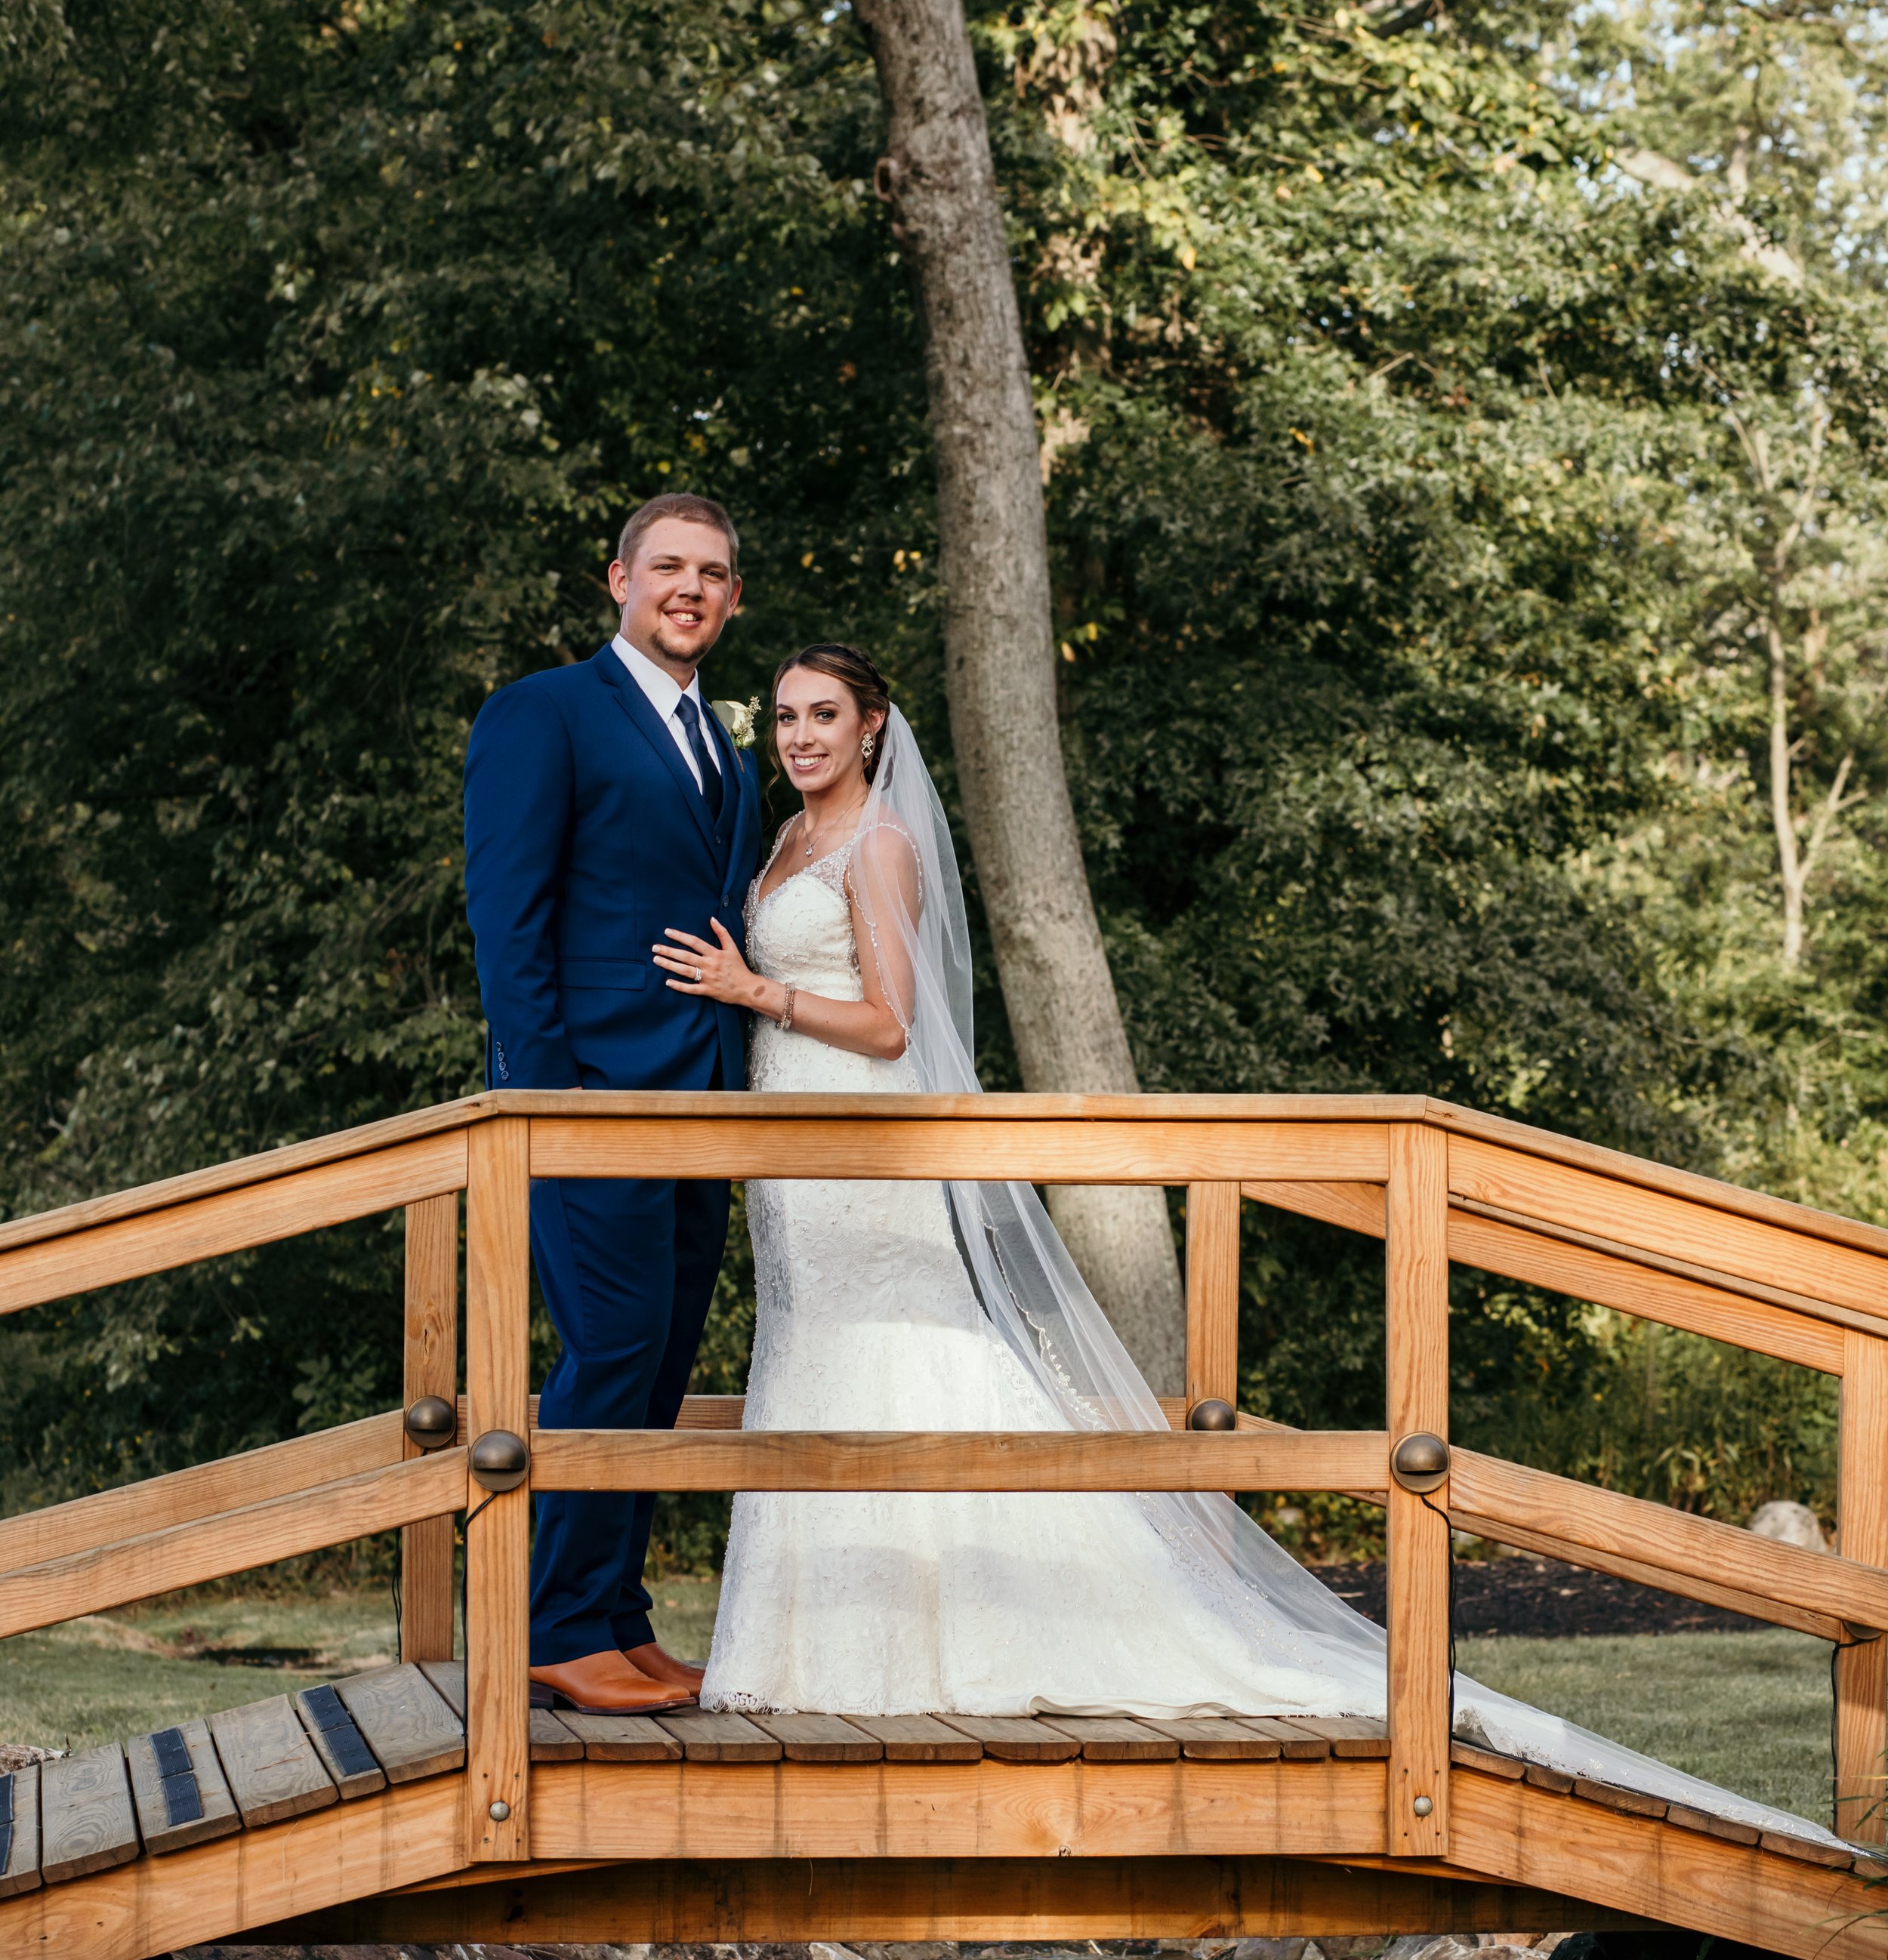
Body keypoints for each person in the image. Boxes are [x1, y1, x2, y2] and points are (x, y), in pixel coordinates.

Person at [651, 644, 1835, 1838]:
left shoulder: (881, 845)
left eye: (824, 716)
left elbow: (894, 1022)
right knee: (817, 1357)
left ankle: (961, 1636)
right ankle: (818, 1649)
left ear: (871, 730)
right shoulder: (785, 841)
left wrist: (758, 994)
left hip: (868, 1148)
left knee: (908, 1355)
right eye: (788, 716)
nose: (800, 735)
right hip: (793, 1159)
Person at [464, 498, 762, 1713]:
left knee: (658, 1362)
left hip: (703, 1104)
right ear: (620, 581)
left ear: (734, 599)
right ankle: (554, 1624)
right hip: (591, 1097)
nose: (689, 588)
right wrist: (549, 1098)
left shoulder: (725, 746)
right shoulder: (544, 712)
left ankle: (616, 1614)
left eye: (714, 573)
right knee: (612, 1346)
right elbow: (508, 916)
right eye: (668, 568)